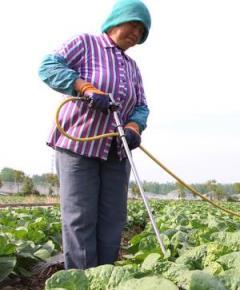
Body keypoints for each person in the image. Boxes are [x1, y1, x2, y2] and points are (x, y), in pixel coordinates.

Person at [38, 0, 151, 269]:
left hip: (116, 150)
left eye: (141, 32)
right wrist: (85, 88)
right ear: (116, 21)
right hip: (79, 144)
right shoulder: (86, 43)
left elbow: (142, 106)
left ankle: (105, 277)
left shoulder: (132, 66)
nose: (136, 34)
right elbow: (49, 66)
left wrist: (134, 128)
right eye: (132, 25)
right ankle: (81, 280)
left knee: (113, 217)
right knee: (80, 216)